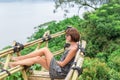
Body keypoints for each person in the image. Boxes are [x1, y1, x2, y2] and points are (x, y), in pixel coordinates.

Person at [9, 27, 80, 79]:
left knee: (45, 50)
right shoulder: (73, 45)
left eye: (67, 35)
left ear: (72, 36)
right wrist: (50, 59)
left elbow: (62, 64)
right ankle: (14, 63)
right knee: (38, 58)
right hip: (58, 69)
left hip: (60, 72)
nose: (65, 37)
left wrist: (51, 59)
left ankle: (19, 58)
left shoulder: (73, 49)